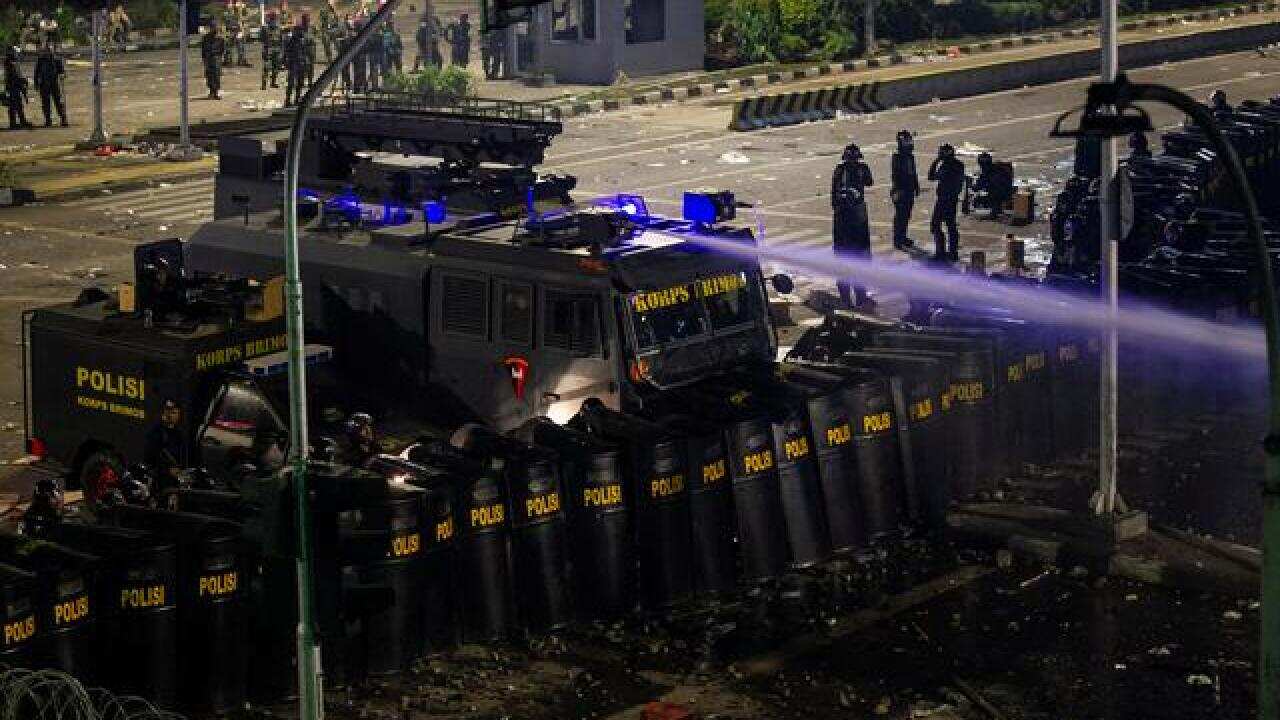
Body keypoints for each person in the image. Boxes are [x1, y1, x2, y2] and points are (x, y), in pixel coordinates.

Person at [831, 143, 875, 308]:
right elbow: (834, 196)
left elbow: (870, 182)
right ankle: (846, 299)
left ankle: (860, 297)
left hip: (856, 217)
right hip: (845, 221)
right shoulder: (840, 171)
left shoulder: (860, 169)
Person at [928, 143, 966, 262]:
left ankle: (941, 252)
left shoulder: (946, 166)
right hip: (952, 199)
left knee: (935, 224)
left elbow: (931, 176)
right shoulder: (959, 165)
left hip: (944, 199)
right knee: (951, 226)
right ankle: (953, 252)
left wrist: (935, 162)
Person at [145, 400, 186, 495]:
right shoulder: (156, 432)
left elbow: (183, 456)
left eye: (174, 412)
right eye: (168, 411)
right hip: (158, 479)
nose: (170, 415)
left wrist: (179, 471)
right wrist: (167, 470)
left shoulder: (180, 435)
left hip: (176, 480)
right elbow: (150, 457)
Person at [890, 129, 919, 250]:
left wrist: (916, 186)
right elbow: (896, 175)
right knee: (900, 216)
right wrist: (897, 190)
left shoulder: (910, 156)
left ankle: (903, 236)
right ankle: (898, 239)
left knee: (906, 215)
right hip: (901, 189)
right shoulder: (897, 156)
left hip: (909, 189)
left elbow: (913, 172)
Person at [969, 152, 1014, 220]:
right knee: (995, 190)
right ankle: (998, 208)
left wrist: (971, 185)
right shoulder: (1000, 167)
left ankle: (995, 212)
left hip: (998, 195)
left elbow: (977, 187)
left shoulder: (987, 173)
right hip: (1009, 192)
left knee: (977, 200)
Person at [33, 44, 67, 128]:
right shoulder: (40, 60)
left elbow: (62, 71)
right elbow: (36, 73)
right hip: (44, 85)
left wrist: (62, 74)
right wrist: (36, 84)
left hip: (54, 83)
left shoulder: (56, 60)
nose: (47, 52)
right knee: (45, 103)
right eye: (45, 50)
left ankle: (63, 118)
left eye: (48, 50)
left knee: (58, 102)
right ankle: (48, 120)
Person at [3, 49, 33, 130]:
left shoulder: (12, 64)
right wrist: (24, 81)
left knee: (18, 106)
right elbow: (14, 77)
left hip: (14, 87)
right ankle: (13, 123)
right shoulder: (10, 64)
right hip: (13, 87)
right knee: (14, 106)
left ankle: (21, 122)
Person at [283, 23, 306, 106]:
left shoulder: (303, 40)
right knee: (291, 83)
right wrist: (285, 62)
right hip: (293, 64)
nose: (300, 32)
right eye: (297, 31)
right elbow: (286, 52)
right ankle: (288, 100)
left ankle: (297, 99)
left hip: (301, 64)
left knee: (300, 83)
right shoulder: (291, 40)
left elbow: (306, 52)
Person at [261, 11, 283, 90]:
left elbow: (281, 39)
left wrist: (281, 49)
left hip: (276, 48)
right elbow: (262, 39)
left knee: (275, 67)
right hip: (269, 48)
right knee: (267, 67)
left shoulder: (278, 27)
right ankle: (264, 84)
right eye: (273, 17)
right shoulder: (265, 27)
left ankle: (272, 83)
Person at [365, 18, 385, 91]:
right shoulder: (380, 36)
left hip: (374, 54)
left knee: (374, 70)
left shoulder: (371, 36)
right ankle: (376, 86)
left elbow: (368, 46)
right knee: (376, 70)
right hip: (378, 54)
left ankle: (375, 86)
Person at [301, 13, 318, 91]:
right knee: (304, 66)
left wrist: (313, 40)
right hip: (304, 49)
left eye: (308, 19)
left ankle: (310, 82)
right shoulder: (300, 28)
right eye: (306, 20)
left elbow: (316, 34)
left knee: (311, 66)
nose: (307, 21)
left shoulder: (312, 27)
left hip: (311, 49)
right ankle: (302, 81)